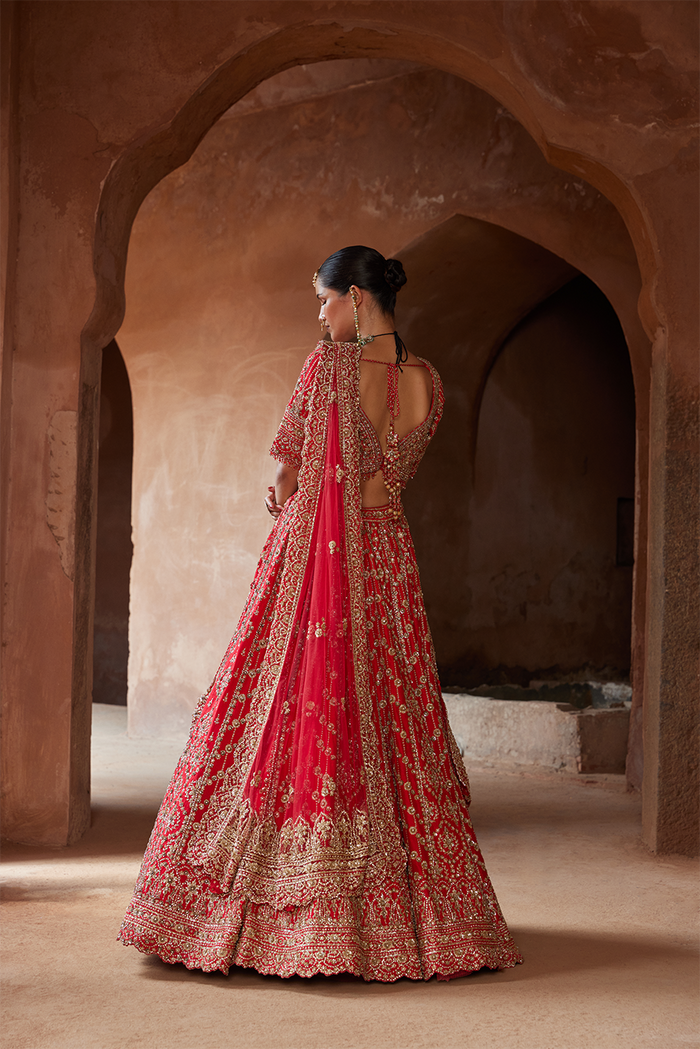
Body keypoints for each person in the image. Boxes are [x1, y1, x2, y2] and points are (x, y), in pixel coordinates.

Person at [119, 245, 522, 981]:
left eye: (326, 299)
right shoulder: (427, 381)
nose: (320, 314)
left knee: (289, 711)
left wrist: (283, 492)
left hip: (315, 570)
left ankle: (270, 919)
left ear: (359, 299)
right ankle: (423, 925)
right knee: (394, 720)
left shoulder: (327, 369)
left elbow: (286, 469)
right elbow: (388, 473)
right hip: (387, 567)